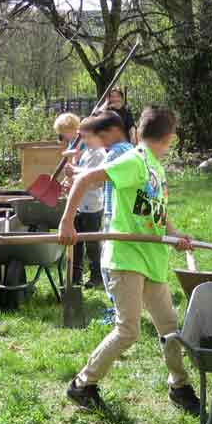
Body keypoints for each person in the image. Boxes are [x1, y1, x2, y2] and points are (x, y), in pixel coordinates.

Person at [58, 105, 201, 415]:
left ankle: (179, 386)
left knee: (170, 327)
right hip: (125, 259)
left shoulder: (155, 168)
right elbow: (85, 181)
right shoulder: (134, 161)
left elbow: (157, 211)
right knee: (128, 330)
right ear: (170, 137)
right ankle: (82, 384)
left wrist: (175, 236)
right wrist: (67, 222)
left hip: (151, 258)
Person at [76, 111, 134, 323]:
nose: (100, 143)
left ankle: (118, 312)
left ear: (111, 132)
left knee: (109, 265)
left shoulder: (115, 154)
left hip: (115, 214)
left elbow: (94, 181)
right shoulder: (130, 151)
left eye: (101, 137)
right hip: (122, 214)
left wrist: (77, 177)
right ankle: (121, 309)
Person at [70, 126, 105, 288]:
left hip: (92, 207)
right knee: (75, 243)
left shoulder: (99, 155)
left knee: (92, 244)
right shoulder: (87, 153)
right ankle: (75, 276)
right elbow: (80, 177)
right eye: (83, 137)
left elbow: (94, 181)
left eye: (88, 137)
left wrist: (74, 175)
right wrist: (70, 182)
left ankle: (96, 276)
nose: (85, 140)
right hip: (80, 205)